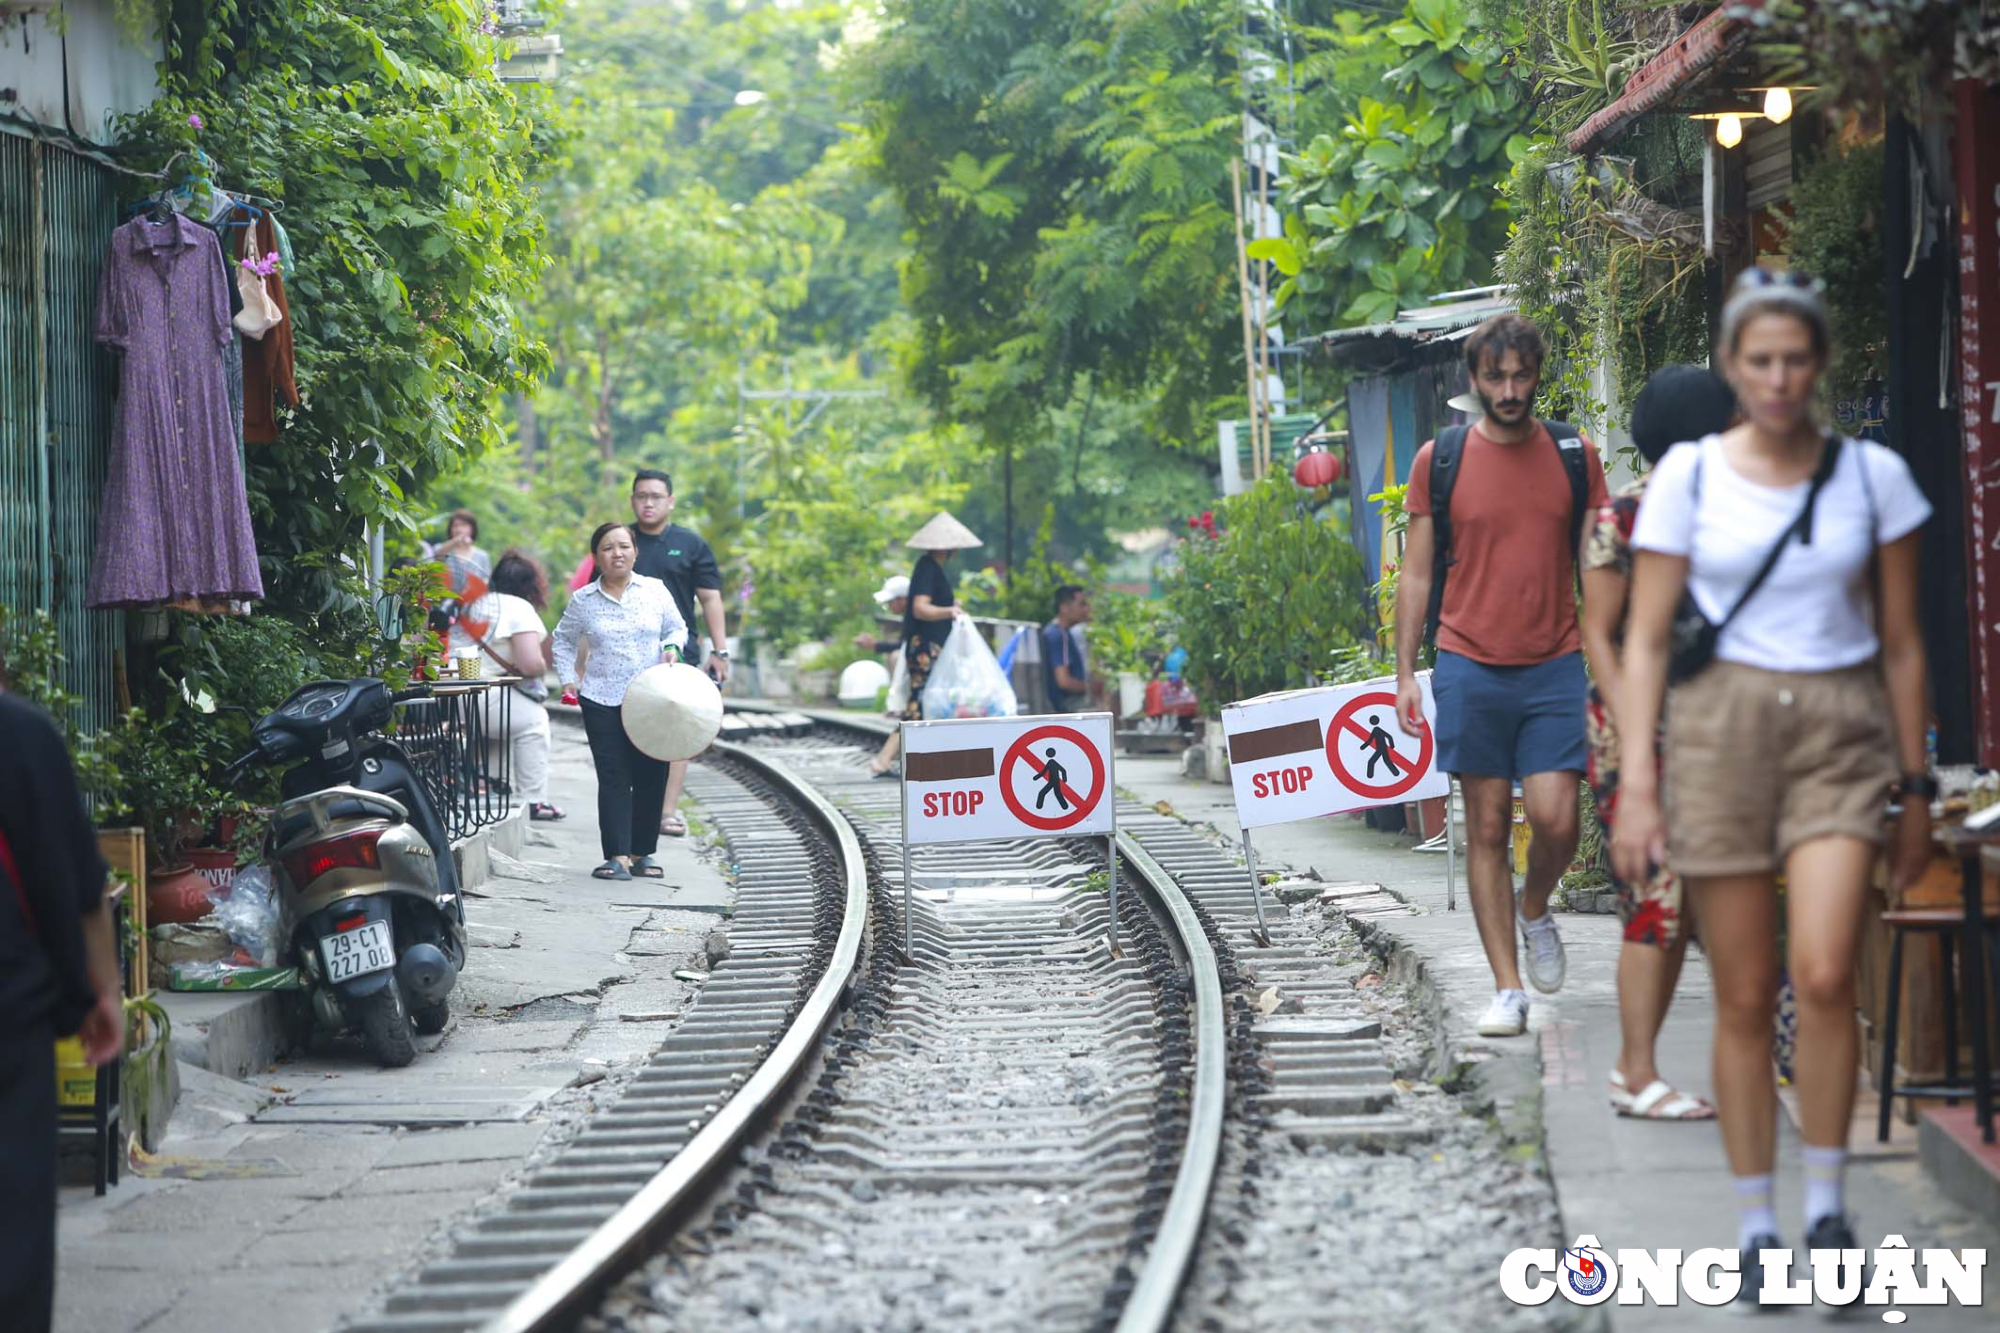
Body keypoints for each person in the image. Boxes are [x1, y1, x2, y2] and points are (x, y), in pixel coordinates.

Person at [1614, 269, 1933, 1303]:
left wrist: (1917, 783)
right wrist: (1636, 782)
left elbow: (1898, 640)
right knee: (1746, 992)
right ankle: (1756, 1225)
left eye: (1795, 359)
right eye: (1758, 360)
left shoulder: (1868, 477)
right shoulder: (1688, 480)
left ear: (1817, 364)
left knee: (1826, 968)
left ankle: (1828, 1208)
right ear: (1731, 369)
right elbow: (1645, 638)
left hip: (1839, 739)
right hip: (1717, 741)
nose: (1778, 377)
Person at [1394, 312, 1610, 1038]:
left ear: (1538, 375)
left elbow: (1598, 567)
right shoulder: (1441, 461)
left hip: (1553, 664)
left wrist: (1610, 666)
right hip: (1468, 664)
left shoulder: (1577, 457)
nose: (1510, 390)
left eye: (1522, 376)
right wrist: (1403, 673)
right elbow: (1417, 573)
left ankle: (1536, 905)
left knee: (1556, 819)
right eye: (1497, 377)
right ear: (1474, 379)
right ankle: (1508, 987)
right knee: (1485, 826)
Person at [1579, 365, 1738, 1122]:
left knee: (1688, 902)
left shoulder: (1736, 508)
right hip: (1636, 737)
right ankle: (1633, 1071)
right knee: (1657, 898)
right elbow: (1600, 635)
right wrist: (1636, 731)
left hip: (1720, 726)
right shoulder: (1629, 516)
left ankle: (1644, 1070)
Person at [0, 688, 125, 1333]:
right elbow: (81, 890)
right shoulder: (21, 736)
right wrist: (100, 993)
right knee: (12, 1229)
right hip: (10, 1032)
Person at [552, 522, 688, 882]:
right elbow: (562, 640)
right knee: (613, 776)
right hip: (601, 698)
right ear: (597, 557)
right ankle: (616, 855)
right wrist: (568, 678)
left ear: (635, 552)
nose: (618, 553)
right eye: (609, 547)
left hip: (651, 698)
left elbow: (677, 628)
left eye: (624, 546)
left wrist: (672, 648)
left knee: (651, 774)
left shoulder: (655, 591)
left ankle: (644, 853)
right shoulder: (584, 600)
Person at [628, 469, 729, 839]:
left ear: (670, 501)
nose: (648, 502)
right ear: (632, 500)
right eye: (641, 496)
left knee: (677, 731)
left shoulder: (690, 544)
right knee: (629, 730)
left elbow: (710, 598)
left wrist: (720, 650)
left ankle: (667, 811)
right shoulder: (621, 542)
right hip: (628, 654)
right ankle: (634, 808)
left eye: (656, 496)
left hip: (678, 653)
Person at [465, 549, 564, 822]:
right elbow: (531, 664)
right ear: (530, 585)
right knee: (534, 722)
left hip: (456, 695)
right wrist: (543, 668)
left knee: (508, 719)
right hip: (486, 696)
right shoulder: (519, 608)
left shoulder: (476, 603)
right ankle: (534, 799)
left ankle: (491, 784)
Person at [898, 511, 980, 726]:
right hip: (926, 647)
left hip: (931, 646)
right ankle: (884, 759)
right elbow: (920, 608)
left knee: (924, 704)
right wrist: (950, 611)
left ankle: (887, 759)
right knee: (919, 705)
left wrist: (949, 607)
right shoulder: (928, 567)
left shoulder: (933, 569)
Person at [855, 575, 910, 777]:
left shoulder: (916, 615)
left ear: (902, 599)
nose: (889, 607)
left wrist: (875, 645)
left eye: (889, 603)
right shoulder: (912, 615)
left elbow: (904, 646)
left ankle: (884, 760)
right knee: (912, 716)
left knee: (913, 716)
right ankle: (884, 760)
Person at [1042, 584, 1092, 712]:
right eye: (1081, 604)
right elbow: (1064, 681)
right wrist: (1091, 688)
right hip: (1067, 705)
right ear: (1064, 608)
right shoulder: (1059, 635)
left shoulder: (1058, 632)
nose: (1086, 609)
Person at [437, 508, 490, 596]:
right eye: (455, 526)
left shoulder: (482, 556)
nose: (459, 529)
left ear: (472, 528)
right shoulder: (443, 549)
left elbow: (486, 579)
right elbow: (438, 555)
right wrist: (455, 541)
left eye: (463, 525)